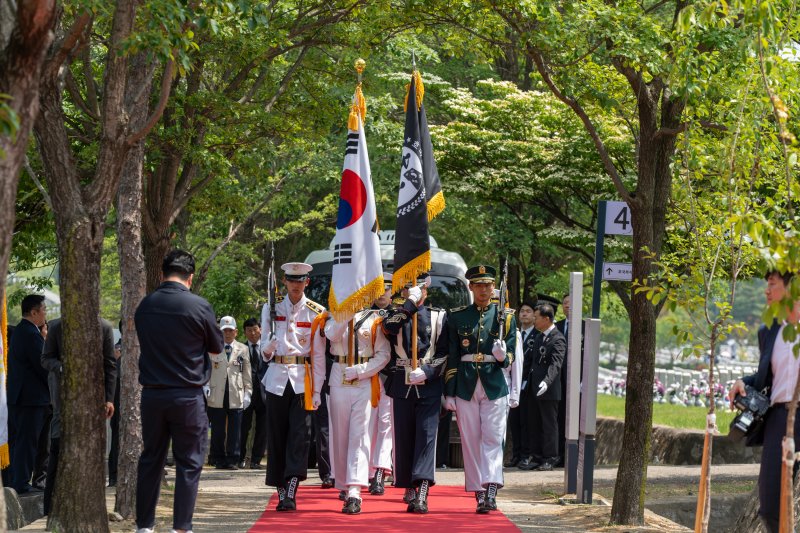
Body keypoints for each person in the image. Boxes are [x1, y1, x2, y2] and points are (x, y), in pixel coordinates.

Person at [134, 249, 224, 533]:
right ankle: (181, 528)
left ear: (162, 273)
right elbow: (217, 346)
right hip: (186, 395)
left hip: (152, 394)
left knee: (151, 459)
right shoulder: (198, 306)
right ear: (191, 277)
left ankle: (144, 526)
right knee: (189, 462)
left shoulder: (145, 305)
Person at [728, 269, 799, 533]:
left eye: (772, 284)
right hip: (779, 419)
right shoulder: (768, 331)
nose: (766, 291)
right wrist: (741, 383)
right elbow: (764, 376)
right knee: (769, 506)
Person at [443, 265, 516, 514]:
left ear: (494, 287)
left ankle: (492, 487)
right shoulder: (457, 317)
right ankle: (478, 490)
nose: (484, 289)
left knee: (493, 437)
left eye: (488, 285)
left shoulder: (505, 317)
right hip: (465, 383)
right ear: (471, 287)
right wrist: (449, 391)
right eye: (479, 285)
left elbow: (512, 355)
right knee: (470, 439)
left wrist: (501, 355)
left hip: (494, 382)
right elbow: (452, 356)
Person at [312, 302, 390, 515]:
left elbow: (384, 354)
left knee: (360, 435)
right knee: (340, 434)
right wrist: (345, 315)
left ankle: (355, 490)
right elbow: (332, 337)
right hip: (339, 375)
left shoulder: (375, 319)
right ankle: (345, 485)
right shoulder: (333, 317)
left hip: (365, 379)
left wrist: (363, 370)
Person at [259, 262, 324, 512]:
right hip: (276, 378)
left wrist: (317, 390)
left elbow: (318, 356)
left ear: (306, 282)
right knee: (277, 436)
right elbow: (264, 353)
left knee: (300, 437)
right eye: (291, 280)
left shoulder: (316, 312)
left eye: (300, 281)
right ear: (284, 282)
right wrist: (269, 346)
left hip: (302, 380)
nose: (295, 285)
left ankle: (292, 488)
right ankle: (280, 488)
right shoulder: (271, 308)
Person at [381, 274, 448, 513]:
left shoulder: (439, 316)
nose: (417, 293)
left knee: (427, 436)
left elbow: (445, 352)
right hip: (402, 381)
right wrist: (409, 305)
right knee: (404, 436)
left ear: (427, 291)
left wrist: (429, 371)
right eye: (412, 289)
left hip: (428, 384)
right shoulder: (395, 314)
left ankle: (421, 489)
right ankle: (408, 483)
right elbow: (389, 328)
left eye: (420, 290)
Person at [40, 316, 117, 515]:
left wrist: (109, 398)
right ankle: (49, 508)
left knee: (92, 451)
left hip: (93, 399)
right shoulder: (57, 326)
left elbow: (110, 364)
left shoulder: (104, 327)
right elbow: (46, 358)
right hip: (62, 398)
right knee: (58, 448)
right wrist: (63, 367)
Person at [7, 294, 49, 494]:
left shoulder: (23, 331)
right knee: (27, 442)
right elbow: (43, 366)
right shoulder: (30, 334)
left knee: (21, 441)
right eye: (44, 310)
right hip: (30, 398)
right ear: (34, 312)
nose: (45, 314)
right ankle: (21, 483)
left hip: (21, 397)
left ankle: (18, 480)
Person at [523, 303, 566, 472]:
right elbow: (532, 362)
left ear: (546, 319)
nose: (534, 320)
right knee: (534, 423)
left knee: (549, 425)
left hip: (549, 389)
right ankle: (537, 455)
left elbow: (556, 365)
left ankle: (550, 457)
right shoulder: (540, 336)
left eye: (537, 317)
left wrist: (547, 381)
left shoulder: (558, 338)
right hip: (534, 387)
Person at [206, 316, 252, 470]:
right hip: (216, 392)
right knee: (218, 429)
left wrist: (248, 392)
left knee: (235, 429)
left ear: (236, 332)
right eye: (224, 330)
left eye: (230, 330)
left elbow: (247, 372)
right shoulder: (212, 347)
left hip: (235, 393)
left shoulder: (243, 349)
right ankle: (218, 458)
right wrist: (205, 384)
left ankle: (233, 459)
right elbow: (207, 368)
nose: (227, 333)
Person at [367, 273, 395, 496]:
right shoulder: (362, 314)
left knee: (385, 425)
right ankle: (364, 472)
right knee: (366, 426)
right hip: (365, 376)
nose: (382, 294)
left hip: (389, 377)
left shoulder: (401, 314)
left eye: (386, 289)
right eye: (377, 290)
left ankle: (380, 471)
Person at [507, 301, 536, 468]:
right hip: (513, 384)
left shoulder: (537, 336)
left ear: (534, 315)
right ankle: (516, 455)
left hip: (528, 386)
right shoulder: (514, 334)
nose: (524, 314)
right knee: (514, 422)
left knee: (527, 422)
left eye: (528, 311)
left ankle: (526, 455)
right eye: (522, 311)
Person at [239, 318, 268, 469]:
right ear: (244, 332)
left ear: (260, 330)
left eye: (255, 329)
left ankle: (256, 459)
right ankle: (240, 457)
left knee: (263, 429)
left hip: (265, 393)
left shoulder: (267, 347)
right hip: (246, 393)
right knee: (244, 426)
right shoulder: (241, 349)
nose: (252, 333)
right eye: (249, 330)